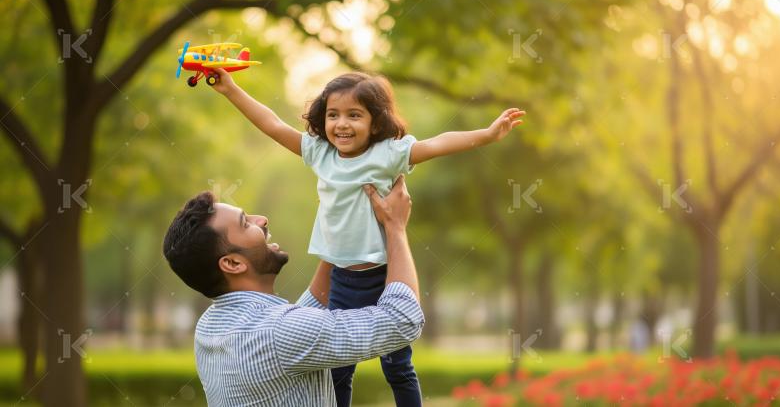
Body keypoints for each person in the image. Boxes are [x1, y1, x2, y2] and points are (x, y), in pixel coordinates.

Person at [211, 67, 524, 406]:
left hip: (383, 276)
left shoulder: (387, 154)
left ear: (375, 123)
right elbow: (272, 125)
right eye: (333, 115)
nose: (341, 124)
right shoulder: (320, 153)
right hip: (342, 280)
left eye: (354, 115)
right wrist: (231, 90)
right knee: (338, 369)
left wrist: (488, 134)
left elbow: (438, 143)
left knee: (398, 368)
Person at [162, 176, 423, 406]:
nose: (261, 220)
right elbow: (403, 320)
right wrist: (395, 227)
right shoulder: (279, 333)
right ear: (232, 263)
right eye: (245, 223)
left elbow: (303, 318)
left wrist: (337, 231)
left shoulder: (211, 327)